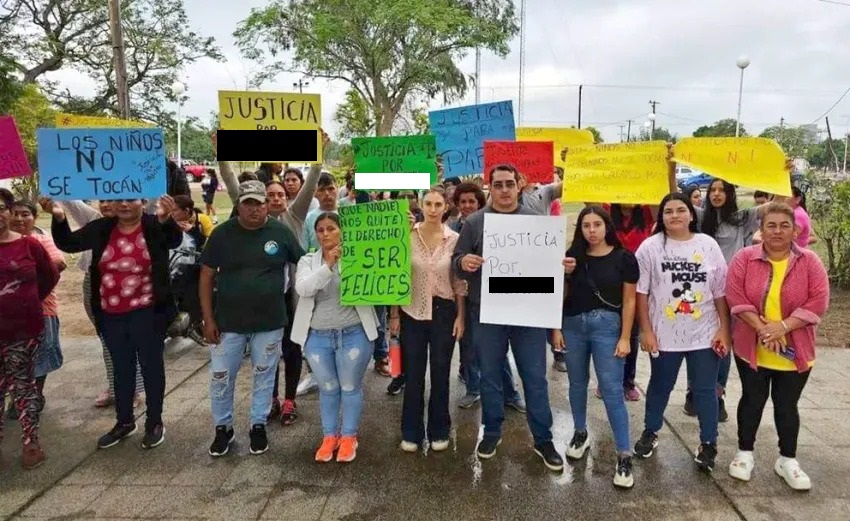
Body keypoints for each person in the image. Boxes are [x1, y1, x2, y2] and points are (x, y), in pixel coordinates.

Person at [453, 163, 562, 471]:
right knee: (489, 375)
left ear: (519, 186)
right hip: (487, 312)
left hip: (528, 312)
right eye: (498, 185)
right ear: (490, 188)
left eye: (509, 184)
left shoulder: (536, 222)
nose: (503, 190)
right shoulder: (474, 222)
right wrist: (464, 262)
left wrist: (561, 265)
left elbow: (548, 265)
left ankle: (543, 439)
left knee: (535, 377)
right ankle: (491, 431)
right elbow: (456, 261)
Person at [52, 196, 181, 450]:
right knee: (121, 368)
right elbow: (69, 243)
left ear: (142, 201)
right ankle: (124, 421)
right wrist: (58, 218)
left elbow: (174, 240)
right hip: (111, 313)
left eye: (130, 199)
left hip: (148, 312)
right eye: (117, 199)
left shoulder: (153, 225)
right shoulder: (102, 227)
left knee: (151, 367)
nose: (123, 204)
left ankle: (154, 422)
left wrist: (166, 219)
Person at [724, 202, 829, 490]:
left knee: (786, 405)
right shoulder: (745, 258)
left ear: (795, 231)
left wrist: (783, 327)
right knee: (752, 400)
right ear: (761, 230)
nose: (777, 231)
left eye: (785, 226)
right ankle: (744, 453)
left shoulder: (810, 262)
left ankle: (787, 459)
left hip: (795, 350)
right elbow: (735, 296)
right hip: (752, 348)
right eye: (771, 225)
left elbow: (818, 301)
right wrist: (764, 329)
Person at [199, 181, 305, 457]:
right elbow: (206, 275)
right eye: (248, 203)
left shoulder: (280, 232)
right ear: (239, 205)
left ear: (267, 205)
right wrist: (208, 319)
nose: (254, 209)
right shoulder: (222, 234)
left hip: (270, 321)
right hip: (228, 323)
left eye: (259, 203)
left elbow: (304, 263)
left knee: (265, 375)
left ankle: (258, 425)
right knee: (221, 377)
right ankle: (223, 428)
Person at [632, 192, 731, 472]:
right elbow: (640, 293)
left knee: (705, 390)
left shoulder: (708, 245)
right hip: (664, 334)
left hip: (705, 333)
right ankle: (650, 431)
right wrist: (645, 331)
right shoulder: (650, 248)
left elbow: (720, 292)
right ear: (661, 217)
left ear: (691, 214)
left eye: (680, 210)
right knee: (660, 386)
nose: (674, 215)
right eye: (668, 211)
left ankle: (708, 443)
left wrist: (725, 329)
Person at [552, 206, 638, 488]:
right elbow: (559, 293)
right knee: (576, 384)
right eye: (586, 225)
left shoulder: (624, 258)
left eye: (597, 224)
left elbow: (630, 300)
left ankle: (624, 453)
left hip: (607, 328)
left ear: (607, 226)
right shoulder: (572, 256)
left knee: (612, 390)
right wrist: (556, 327)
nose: (592, 230)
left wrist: (626, 337)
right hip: (573, 326)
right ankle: (580, 432)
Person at [292, 212, 378, 463]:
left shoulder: (358, 255)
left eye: (331, 228)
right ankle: (329, 436)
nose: (326, 234)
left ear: (342, 231)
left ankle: (349, 436)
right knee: (328, 388)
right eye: (320, 230)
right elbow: (303, 288)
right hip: (318, 338)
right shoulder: (307, 261)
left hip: (354, 334)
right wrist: (328, 266)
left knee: (350, 387)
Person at [42, 198, 145, 407]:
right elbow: (71, 204)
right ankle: (116, 386)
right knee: (106, 338)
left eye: (113, 200)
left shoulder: (139, 222)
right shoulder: (94, 220)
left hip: (130, 285)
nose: (106, 205)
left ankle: (132, 390)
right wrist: (57, 209)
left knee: (131, 338)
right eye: (103, 200)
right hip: (96, 285)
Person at [390, 187, 466, 453]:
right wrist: (394, 313)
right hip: (412, 311)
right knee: (413, 374)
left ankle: (439, 429)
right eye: (428, 204)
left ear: (446, 207)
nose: (433, 209)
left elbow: (458, 281)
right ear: (421, 205)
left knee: (441, 371)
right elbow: (396, 276)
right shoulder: (407, 235)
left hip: (445, 311)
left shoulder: (454, 239)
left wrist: (461, 317)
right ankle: (411, 431)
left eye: (438, 204)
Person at [685, 178, 761, 422]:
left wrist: (782, 175)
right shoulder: (699, 215)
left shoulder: (742, 218)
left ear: (730, 194)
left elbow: (777, 206)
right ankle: (693, 392)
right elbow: (672, 196)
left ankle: (717, 395)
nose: (716, 194)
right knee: (696, 342)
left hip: (730, 291)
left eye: (722, 190)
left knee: (723, 344)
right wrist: (671, 166)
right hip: (700, 290)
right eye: (713, 190)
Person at [450, 182, 523, 410]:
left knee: (496, 351)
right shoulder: (451, 228)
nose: (467, 205)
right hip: (461, 297)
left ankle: (510, 393)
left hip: (490, 297)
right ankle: (473, 389)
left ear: (480, 202)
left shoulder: (493, 223)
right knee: (468, 347)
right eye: (462, 201)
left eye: (472, 201)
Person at [0, 190, 59, 469]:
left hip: (23, 331)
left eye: (2, 207)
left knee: (24, 386)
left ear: (9, 212)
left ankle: (30, 443)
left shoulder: (29, 245)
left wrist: (27, 302)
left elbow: (49, 276)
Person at [10, 201, 67, 413]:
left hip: (41, 309)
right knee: (13, 356)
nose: (19, 219)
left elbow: (59, 263)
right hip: (8, 312)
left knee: (40, 355)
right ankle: (17, 398)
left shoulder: (40, 239)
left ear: (34, 218)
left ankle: (35, 395)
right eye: (14, 213)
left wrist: (31, 286)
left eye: (25, 214)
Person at [169, 195, 213, 344]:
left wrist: (193, 230)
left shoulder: (202, 220)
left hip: (196, 267)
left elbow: (209, 242)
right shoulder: (169, 223)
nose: (172, 213)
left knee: (193, 297)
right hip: (174, 266)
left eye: (175, 210)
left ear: (187, 211)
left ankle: (195, 326)